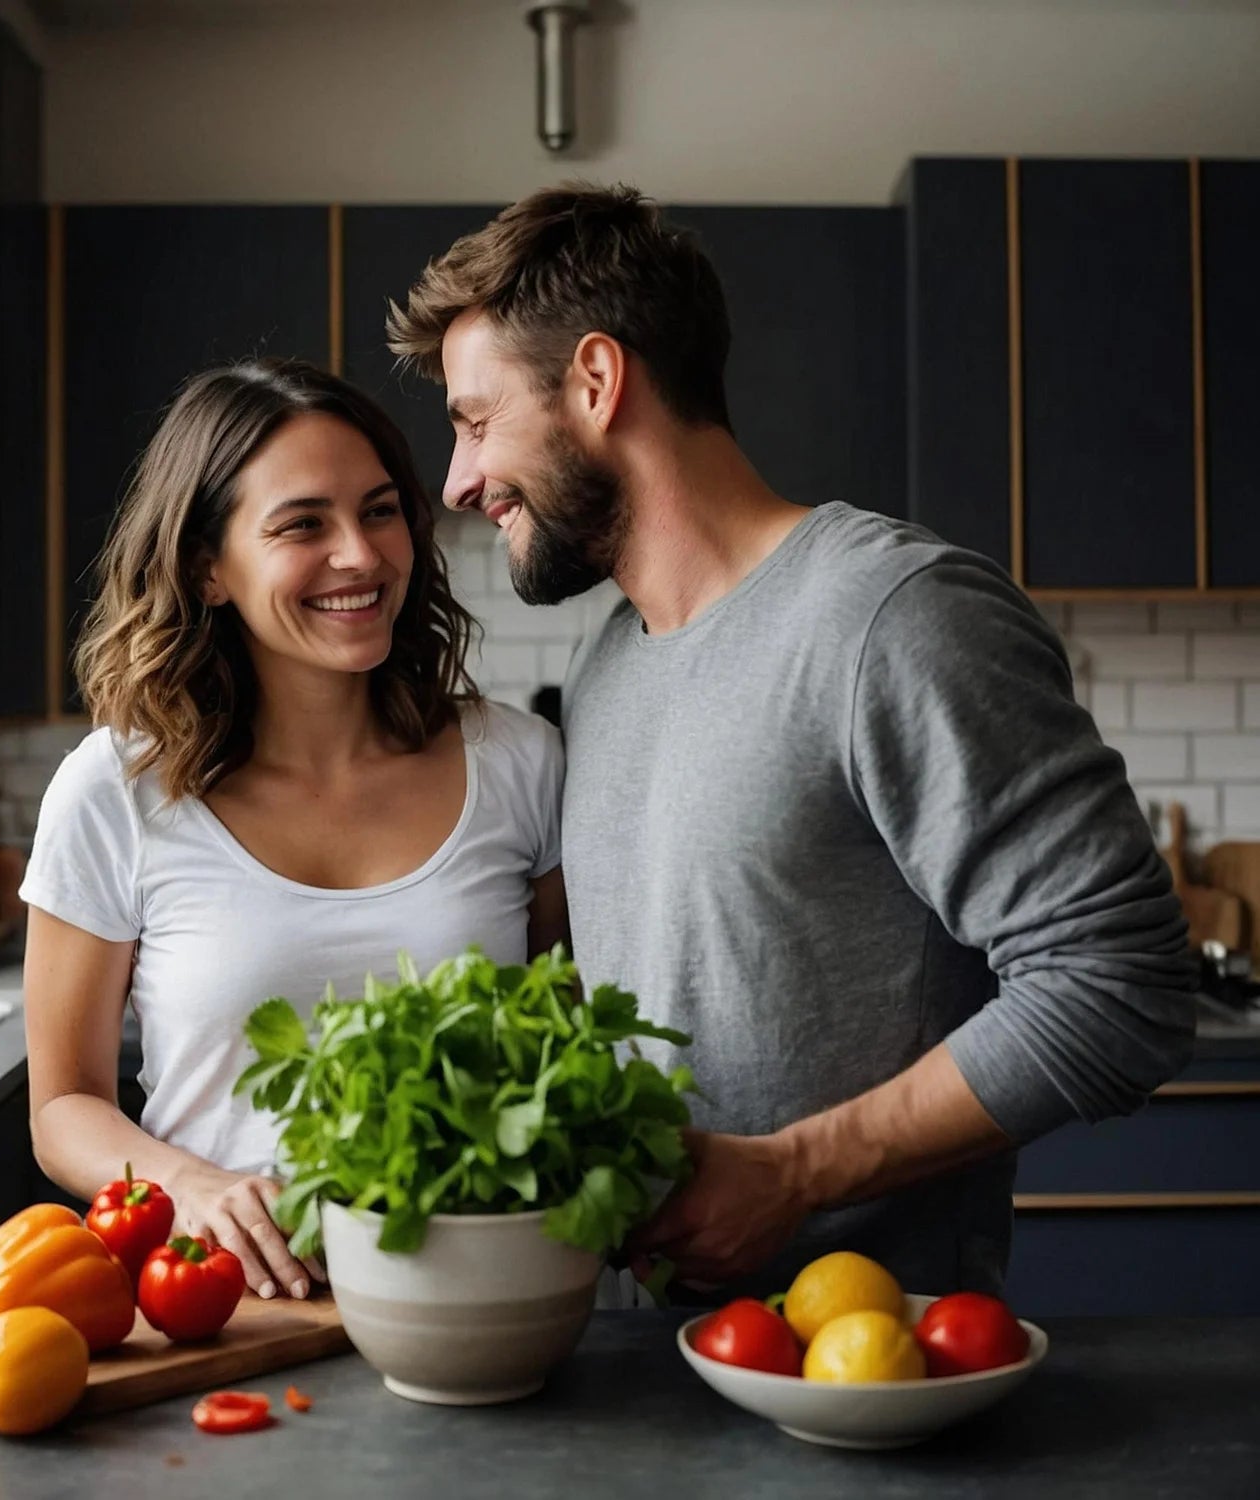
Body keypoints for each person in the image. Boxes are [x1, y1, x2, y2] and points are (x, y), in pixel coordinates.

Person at [385, 183, 1196, 1299]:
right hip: (638, 1370)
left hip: (858, 1375)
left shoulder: (894, 618)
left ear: (596, 380)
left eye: (477, 422)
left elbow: (1124, 983)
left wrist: (793, 1174)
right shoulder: (612, 659)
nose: (458, 481)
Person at [19, 359, 568, 1301]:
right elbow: (63, 1106)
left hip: (478, 1297)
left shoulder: (520, 765)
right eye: (302, 524)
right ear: (208, 567)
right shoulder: (115, 793)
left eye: (381, 510)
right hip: (224, 1309)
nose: (359, 554)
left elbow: (568, 1048)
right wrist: (188, 1185)